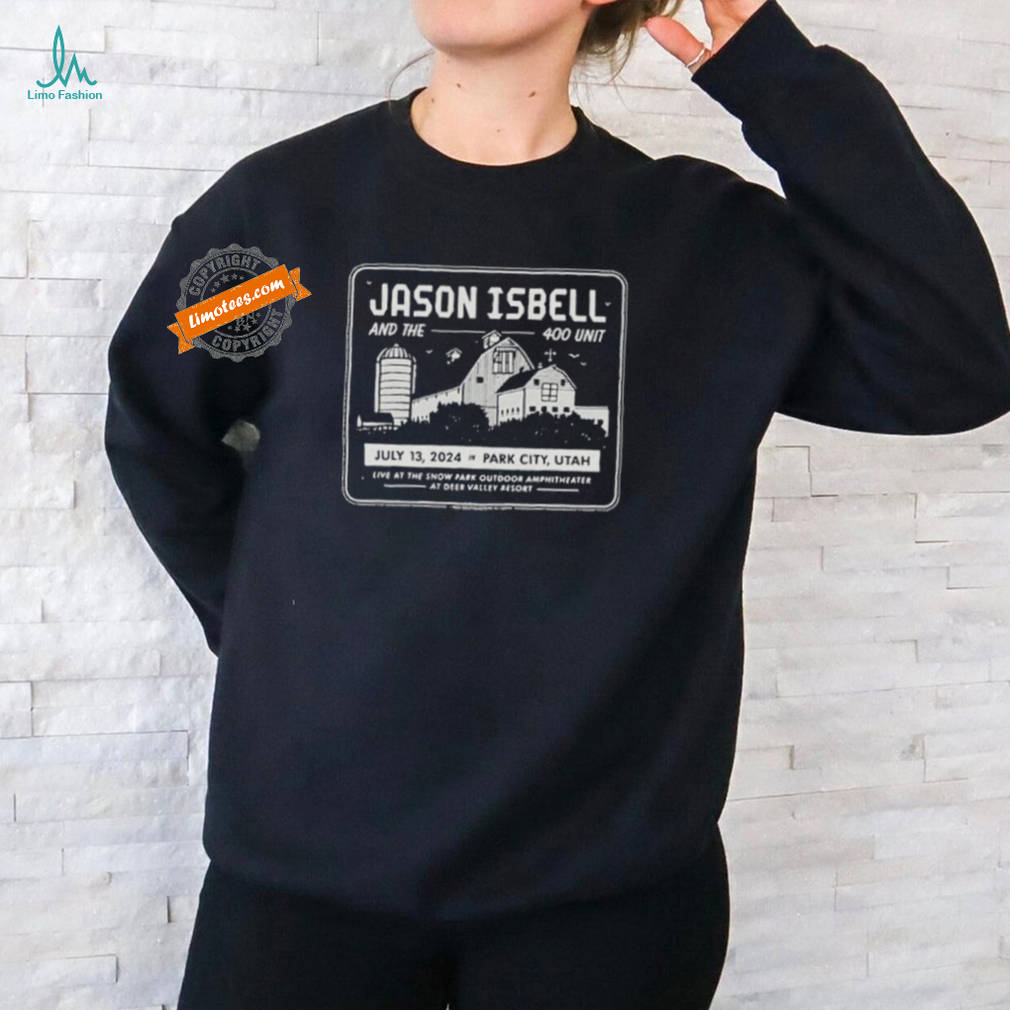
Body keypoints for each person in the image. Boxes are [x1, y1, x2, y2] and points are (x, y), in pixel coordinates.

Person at [103, 1, 1010, 1007]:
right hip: (303, 885)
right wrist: (271, 631)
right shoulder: (276, 225)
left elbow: (953, 363)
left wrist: (779, 78)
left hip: (607, 895)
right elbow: (159, 427)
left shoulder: (706, 246)